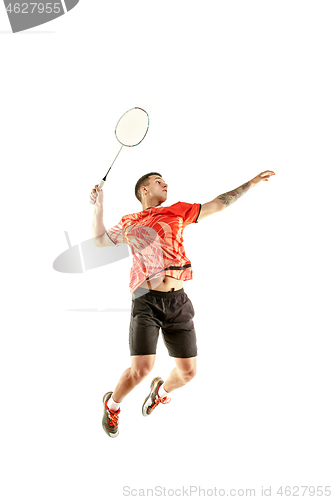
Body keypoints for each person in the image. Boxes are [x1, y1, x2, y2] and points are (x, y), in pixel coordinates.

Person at [90, 170, 275, 438]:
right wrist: (99, 206)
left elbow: (218, 203)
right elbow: (100, 241)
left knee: (188, 374)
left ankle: (161, 393)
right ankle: (113, 404)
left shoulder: (178, 211)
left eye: (164, 181)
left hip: (177, 301)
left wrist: (252, 183)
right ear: (144, 190)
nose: (165, 184)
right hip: (146, 301)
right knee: (141, 369)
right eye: (158, 181)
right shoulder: (130, 222)